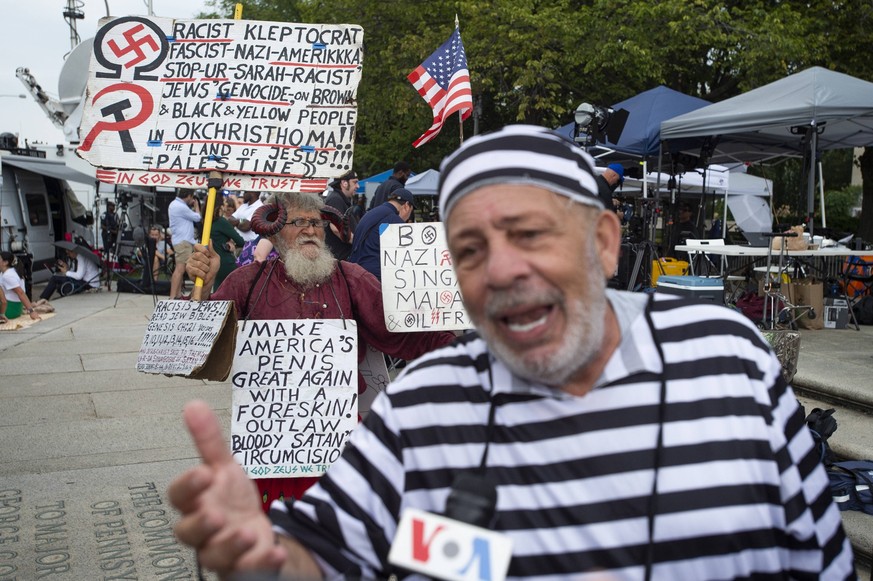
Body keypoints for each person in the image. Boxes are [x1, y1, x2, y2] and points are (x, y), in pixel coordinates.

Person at [169, 125, 853, 580]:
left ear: (605, 242)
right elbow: (321, 552)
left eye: (529, 234)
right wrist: (260, 556)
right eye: (468, 250)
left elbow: (818, 561)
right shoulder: (423, 408)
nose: (499, 271)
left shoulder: (729, 362)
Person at [182, 190, 455, 512]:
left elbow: (402, 331)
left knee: (343, 530)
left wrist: (460, 341)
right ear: (275, 229)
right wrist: (202, 287)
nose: (310, 230)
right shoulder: (248, 281)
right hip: (270, 437)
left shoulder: (351, 279)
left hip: (339, 434)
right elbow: (196, 346)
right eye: (299, 222)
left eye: (317, 223)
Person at [348, 188, 415, 280]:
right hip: (375, 276)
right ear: (407, 206)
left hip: (357, 270)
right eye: (410, 213)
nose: (407, 218)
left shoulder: (372, 213)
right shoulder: (393, 220)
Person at [204, 197, 244, 292]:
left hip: (212, 261)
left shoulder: (206, 221)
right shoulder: (221, 222)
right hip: (225, 262)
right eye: (225, 203)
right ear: (220, 206)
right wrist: (232, 244)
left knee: (217, 292)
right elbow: (240, 241)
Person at [168, 190, 201, 300]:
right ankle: (172, 297)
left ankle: (177, 295)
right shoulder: (181, 207)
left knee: (179, 269)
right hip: (184, 242)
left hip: (180, 241)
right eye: (192, 198)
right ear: (189, 196)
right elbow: (197, 217)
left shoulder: (174, 204)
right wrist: (196, 206)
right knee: (180, 269)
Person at [323, 170, 359, 260]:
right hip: (340, 258)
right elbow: (336, 228)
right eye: (355, 182)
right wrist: (358, 243)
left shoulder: (340, 199)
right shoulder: (335, 199)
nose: (357, 186)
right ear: (344, 183)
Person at [0, 251, 40, 323]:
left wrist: (31, 311)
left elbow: (20, 293)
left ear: (5, 262)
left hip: (10, 309)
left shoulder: (8, 276)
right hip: (12, 307)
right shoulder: (6, 272)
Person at [227, 191, 264, 267]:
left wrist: (238, 221)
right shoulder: (244, 206)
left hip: (249, 247)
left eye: (246, 192)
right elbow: (230, 220)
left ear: (254, 193)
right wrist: (241, 221)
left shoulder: (260, 207)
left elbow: (246, 226)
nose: (243, 194)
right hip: (237, 246)